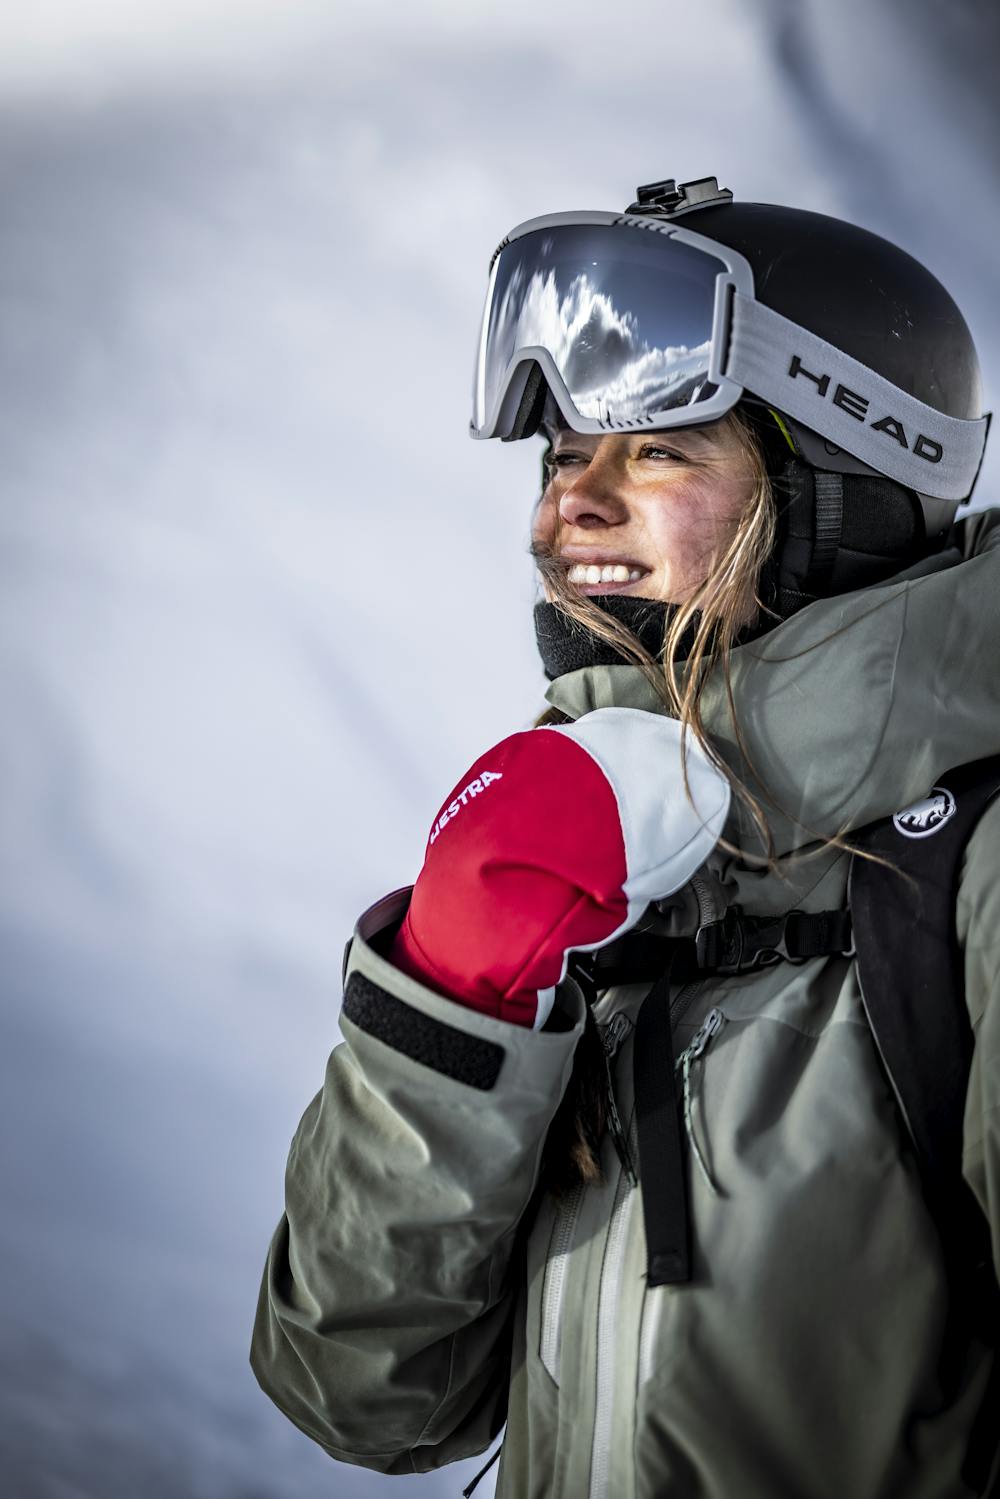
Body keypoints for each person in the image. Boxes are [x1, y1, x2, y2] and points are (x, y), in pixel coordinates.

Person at [251, 176, 1000, 1497]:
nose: (572, 506)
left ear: (841, 491)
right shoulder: (603, 880)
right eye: (561, 456)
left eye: (658, 450)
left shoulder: (973, 879)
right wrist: (450, 1004)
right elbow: (359, 1397)